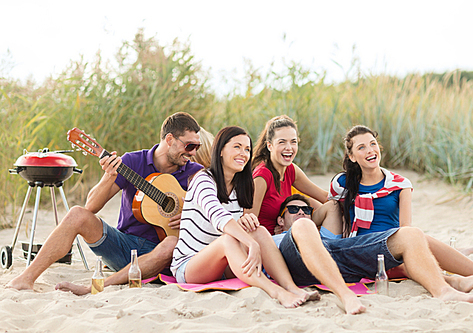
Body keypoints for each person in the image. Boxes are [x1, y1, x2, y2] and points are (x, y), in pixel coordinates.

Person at [7, 112, 204, 293]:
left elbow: (212, 212)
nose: (193, 153)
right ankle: (26, 277)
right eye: (189, 146)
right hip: (124, 246)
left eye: (197, 147)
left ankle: (95, 286)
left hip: (164, 255)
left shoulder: (194, 172)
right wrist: (109, 176)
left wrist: (189, 215)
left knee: (171, 243)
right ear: (169, 140)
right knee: (77, 214)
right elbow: (91, 207)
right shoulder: (133, 161)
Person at [328, 125, 473, 285]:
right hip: (360, 249)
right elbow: (329, 210)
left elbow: (406, 228)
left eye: (373, 144)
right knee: (413, 257)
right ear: (351, 157)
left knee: (416, 242)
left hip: (392, 248)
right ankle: (458, 274)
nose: (370, 150)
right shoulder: (342, 184)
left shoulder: (400, 184)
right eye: (361, 147)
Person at [170, 126, 319, 308]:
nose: (243, 153)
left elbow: (236, 225)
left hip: (224, 264)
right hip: (190, 266)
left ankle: (292, 288)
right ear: (221, 151)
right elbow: (218, 216)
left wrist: (245, 225)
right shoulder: (203, 180)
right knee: (229, 240)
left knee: (259, 231)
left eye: (247, 149)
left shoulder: (238, 187)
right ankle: (277, 292)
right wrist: (249, 243)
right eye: (237, 147)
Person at [273, 193, 473, 313]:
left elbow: (332, 206)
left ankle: (444, 290)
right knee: (302, 227)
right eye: (293, 210)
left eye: (306, 210)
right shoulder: (272, 237)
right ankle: (345, 296)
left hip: (333, 253)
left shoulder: (323, 232)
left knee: (410, 234)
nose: (301, 212)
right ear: (280, 221)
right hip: (296, 260)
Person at [246, 115, 339, 235]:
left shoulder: (290, 170)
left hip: (290, 232)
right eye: (282, 142)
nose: (289, 148)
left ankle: (334, 244)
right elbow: (248, 223)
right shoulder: (262, 176)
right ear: (270, 146)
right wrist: (274, 234)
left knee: (333, 206)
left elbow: (324, 196)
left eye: (293, 142)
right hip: (271, 240)